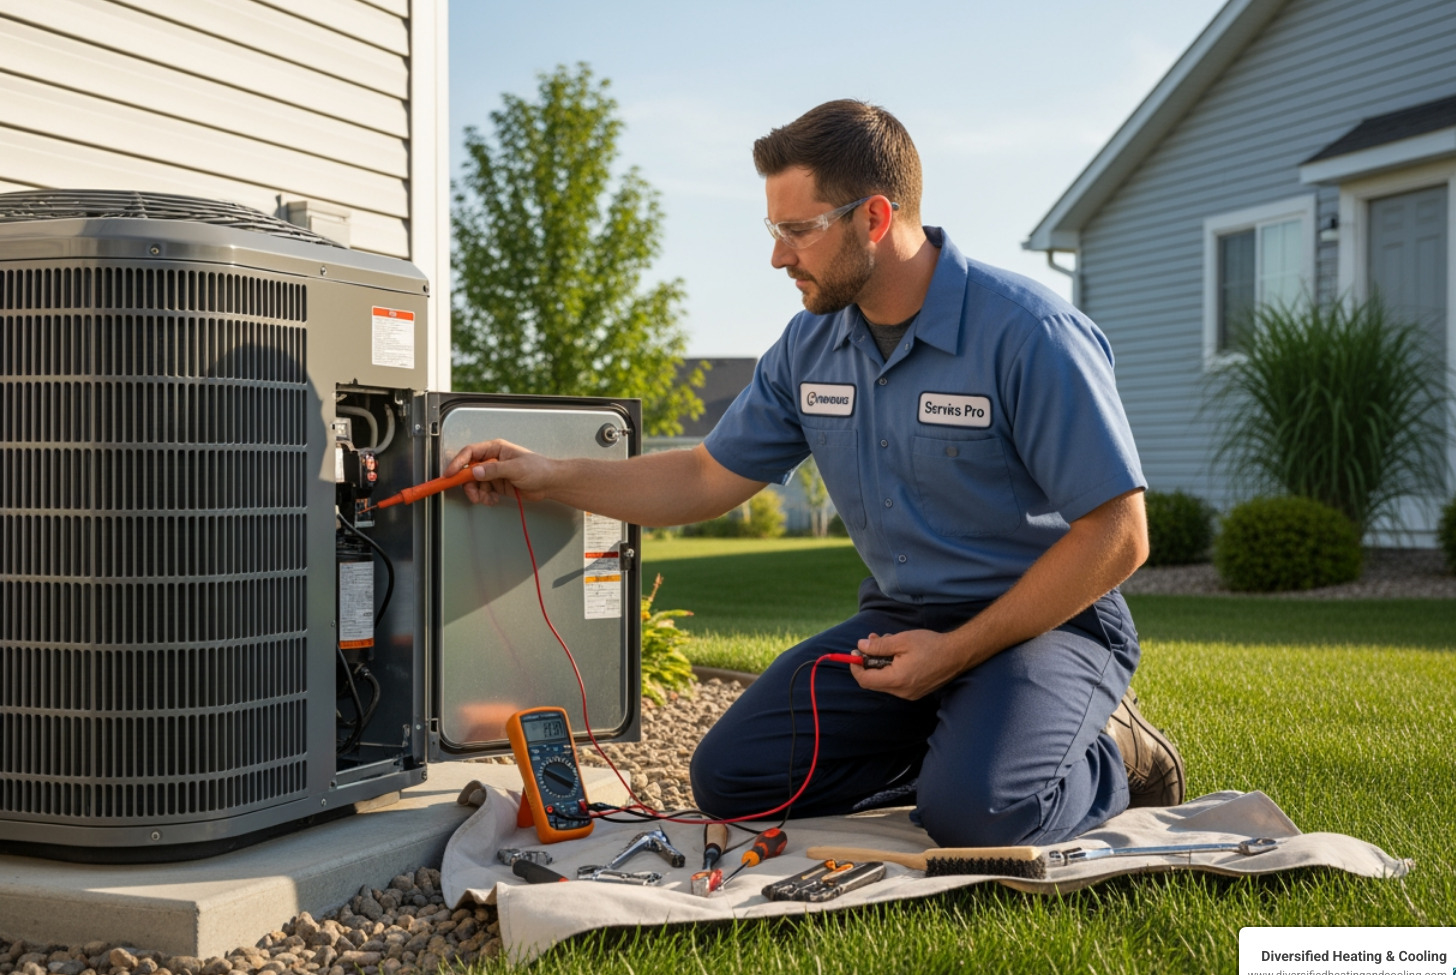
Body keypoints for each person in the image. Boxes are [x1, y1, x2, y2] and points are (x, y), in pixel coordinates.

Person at [445, 99, 1184, 848]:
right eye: (776, 231)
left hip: (1049, 626)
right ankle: (964, 747)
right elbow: (704, 477)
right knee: (733, 778)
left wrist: (956, 655)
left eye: (798, 231)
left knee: (977, 817)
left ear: (872, 218)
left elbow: (1120, 536)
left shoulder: (1030, 334)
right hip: (906, 626)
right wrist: (546, 474)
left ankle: (1112, 754)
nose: (778, 257)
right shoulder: (810, 347)